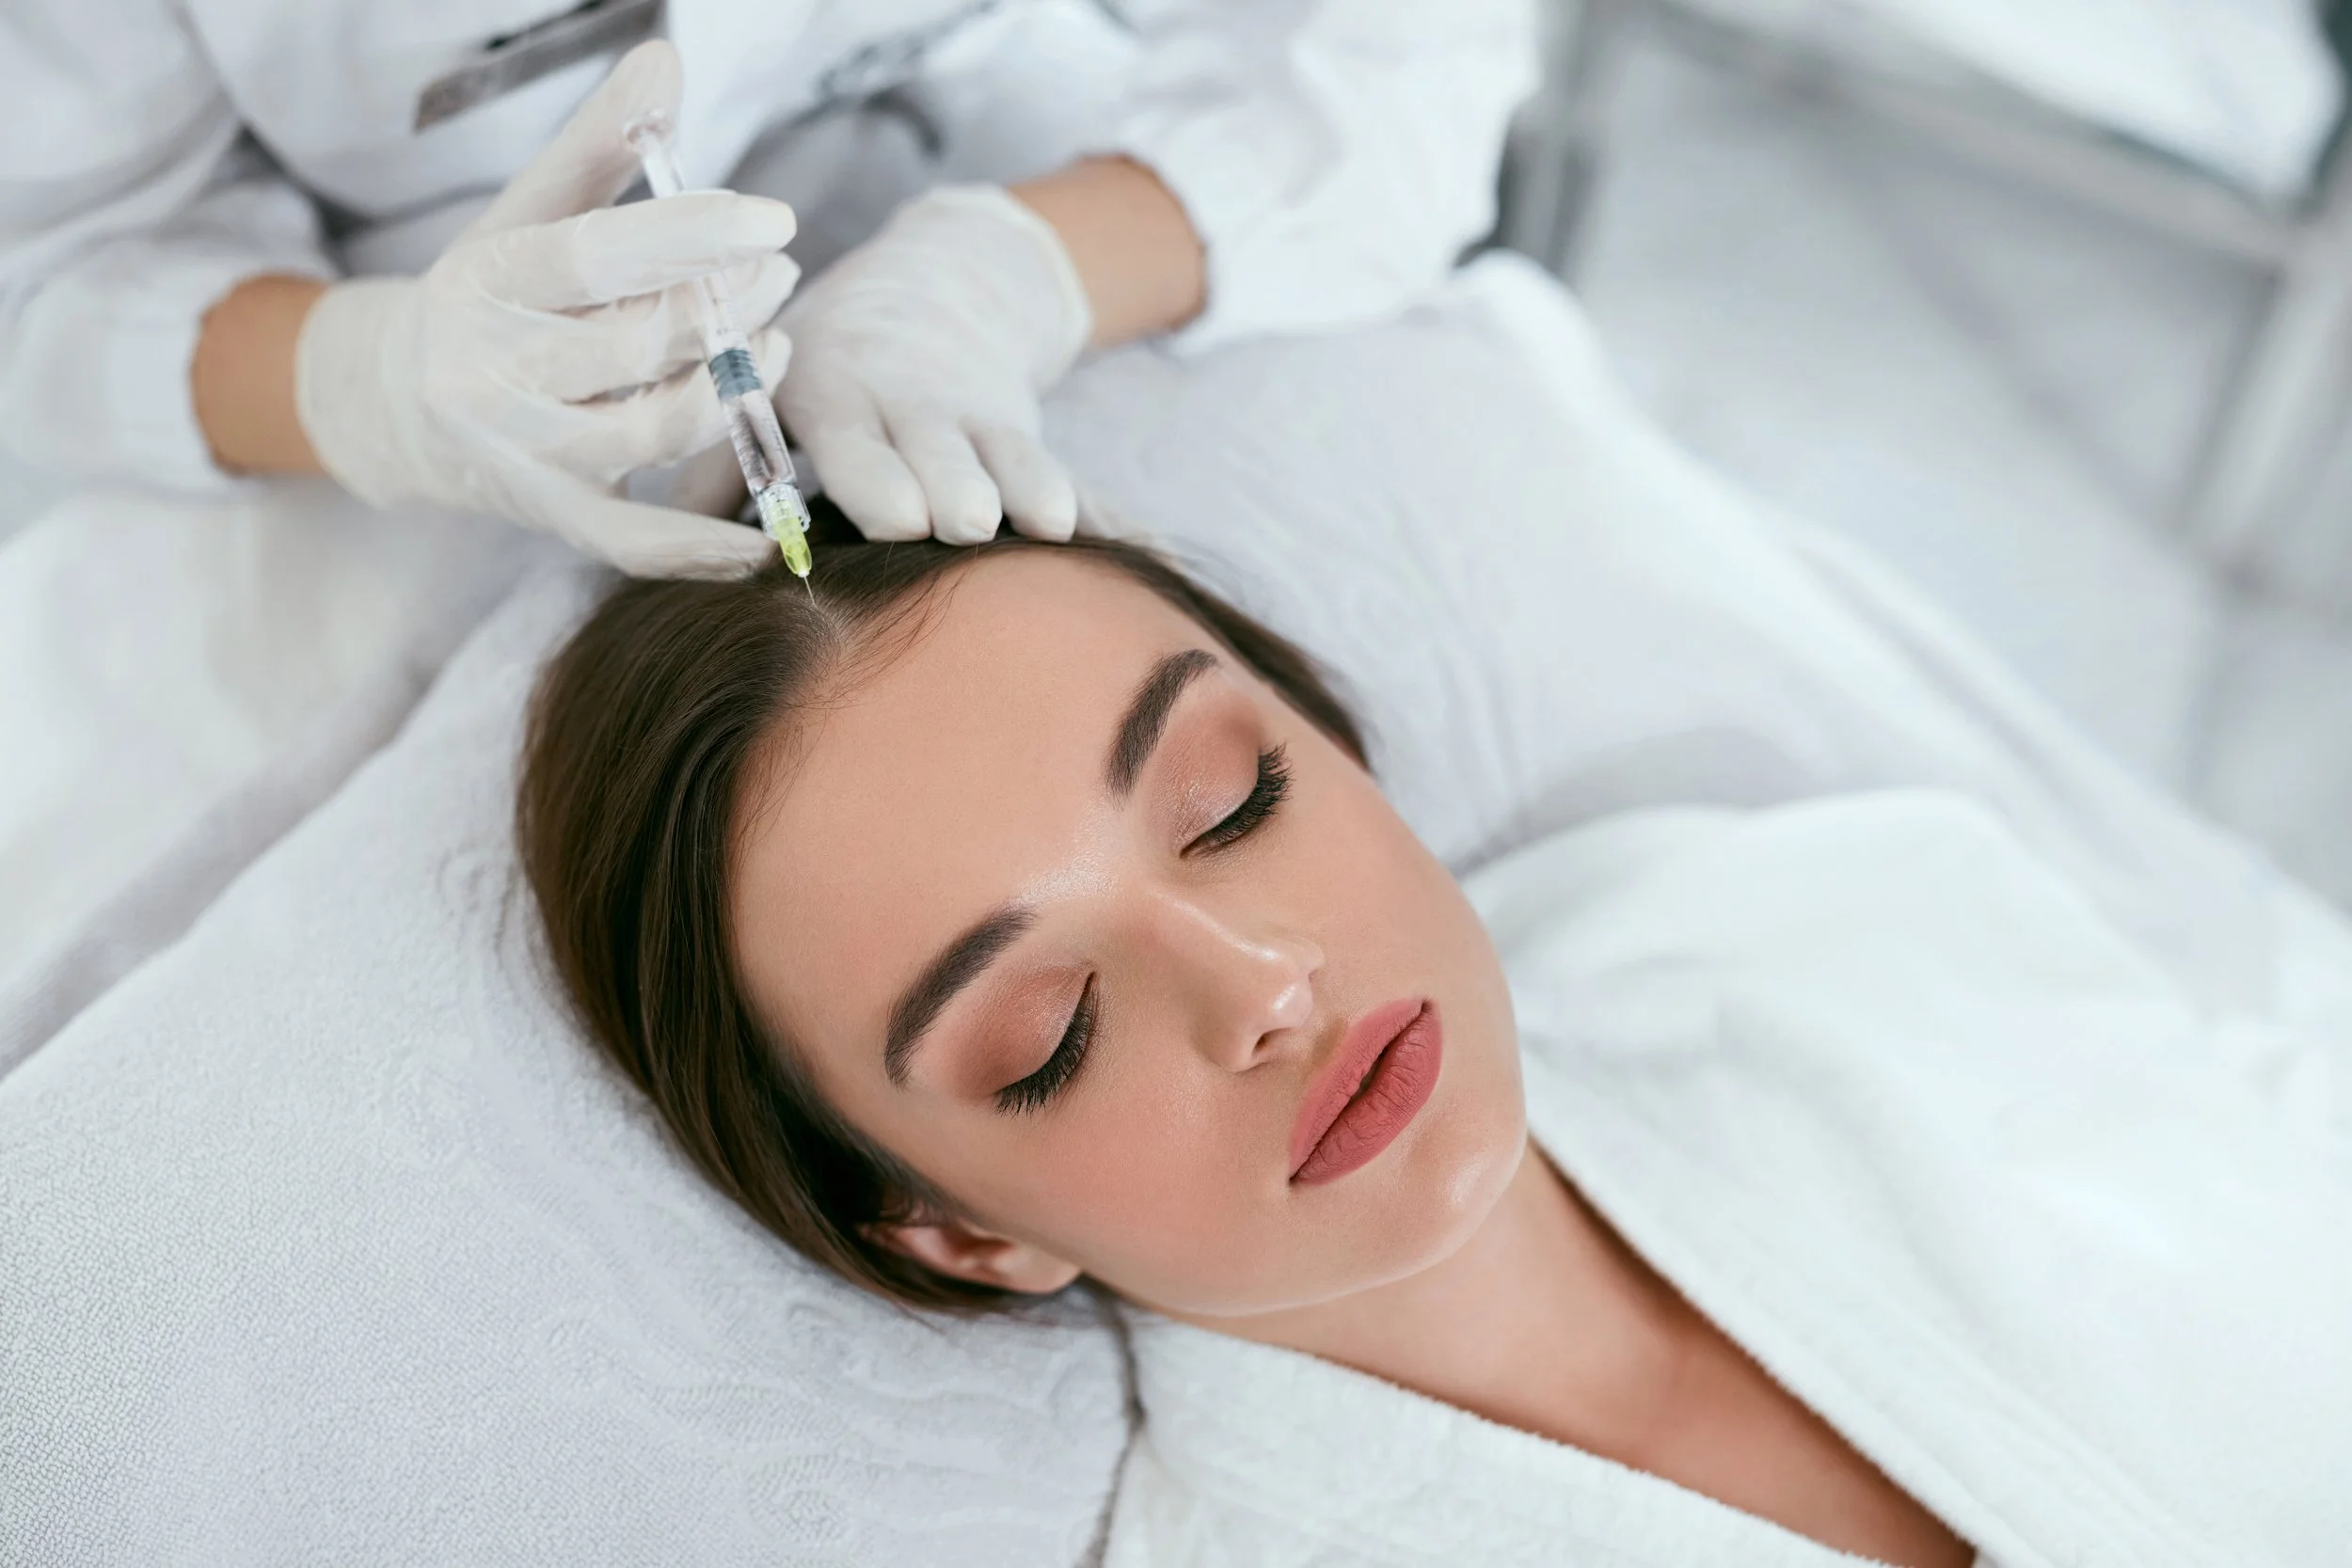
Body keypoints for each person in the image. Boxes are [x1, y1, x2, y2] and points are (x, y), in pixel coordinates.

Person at [515, 513, 2352, 1566]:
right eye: (1051, 1031)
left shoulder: (1796, 913)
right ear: (965, 1230)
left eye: (1233, 801)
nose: (1262, 983)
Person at [0, 5, 1533, 575]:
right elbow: (58, 269)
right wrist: (377, 383)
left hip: (999, 113)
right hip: (412, 344)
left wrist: (1018, 271)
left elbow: (1397, 52)